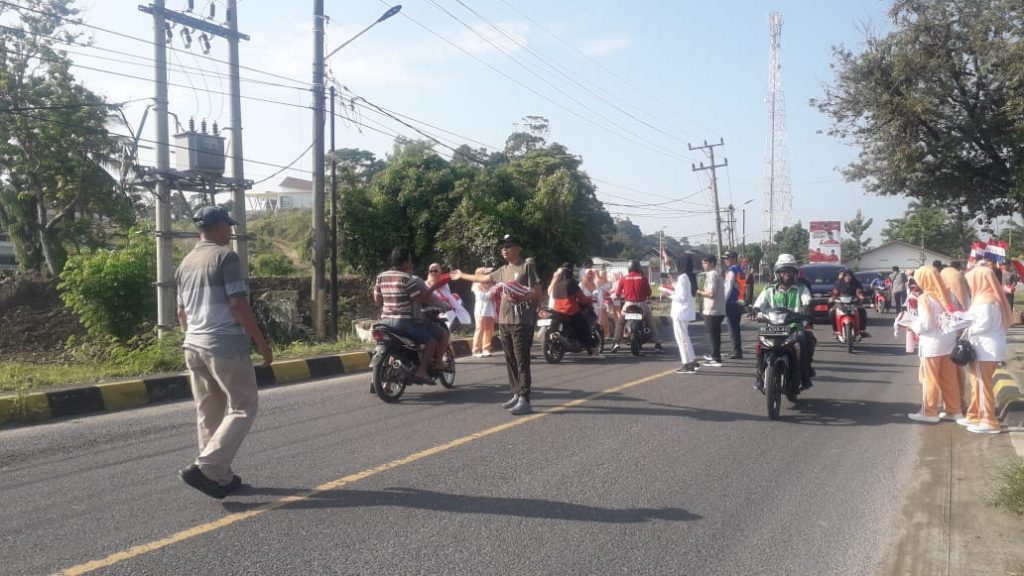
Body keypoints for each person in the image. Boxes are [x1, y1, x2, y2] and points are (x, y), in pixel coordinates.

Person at [175, 206, 273, 499]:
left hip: (193, 344)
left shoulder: (185, 263)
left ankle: (219, 476)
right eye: (228, 226)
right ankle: (207, 467)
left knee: (210, 412)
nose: (230, 232)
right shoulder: (225, 257)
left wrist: (194, 338)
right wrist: (262, 343)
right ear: (217, 227)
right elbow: (238, 304)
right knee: (244, 406)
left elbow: (181, 313)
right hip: (224, 344)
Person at [452, 234, 542, 416]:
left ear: (518, 248)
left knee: (521, 360)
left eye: (508, 246)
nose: (504, 249)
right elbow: (483, 279)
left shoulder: (527, 266)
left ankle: (525, 398)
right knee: (510, 359)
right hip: (504, 320)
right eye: (503, 246)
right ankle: (516, 394)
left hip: (521, 321)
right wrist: (462, 275)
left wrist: (521, 298)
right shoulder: (502, 270)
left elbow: (537, 292)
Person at [373, 247, 446, 385]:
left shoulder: (380, 277)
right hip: (404, 323)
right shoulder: (407, 278)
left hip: (385, 322)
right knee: (431, 342)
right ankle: (422, 371)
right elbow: (419, 299)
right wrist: (434, 287)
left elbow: (377, 300)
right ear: (406, 262)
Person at [958, 266, 1012, 434]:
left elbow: (982, 325)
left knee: (982, 385)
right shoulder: (991, 297)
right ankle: (977, 416)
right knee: (979, 384)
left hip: (985, 349)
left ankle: (989, 421)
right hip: (989, 347)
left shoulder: (986, 300)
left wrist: (965, 325)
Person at [750, 253, 814, 391]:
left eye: (790, 271)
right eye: (783, 271)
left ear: (795, 273)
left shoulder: (801, 289)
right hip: (772, 328)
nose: (787, 274)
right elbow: (757, 305)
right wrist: (754, 312)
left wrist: (807, 315)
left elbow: (808, 303)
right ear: (777, 273)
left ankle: (805, 377)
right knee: (760, 344)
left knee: (804, 340)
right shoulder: (769, 290)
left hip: (795, 327)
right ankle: (759, 377)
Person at [907, 265, 962, 423]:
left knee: (929, 379)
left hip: (931, 346)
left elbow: (924, 325)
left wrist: (911, 324)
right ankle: (954, 410)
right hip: (949, 343)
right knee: (949, 379)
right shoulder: (949, 295)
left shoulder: (925, 298)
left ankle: (929, 412)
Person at [549, 263, 603, 359]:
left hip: (557, 312)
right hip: (570, 312)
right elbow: (582, 299)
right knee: (584, 329)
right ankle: (594, 352)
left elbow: (553, 296)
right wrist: (591, 299)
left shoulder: (556, 284)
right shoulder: (571, 283)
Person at [610, 260, 662, 353]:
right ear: (638, 268)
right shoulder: (643, 278)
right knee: (651, 322)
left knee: (620, 323)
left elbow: (617, 294)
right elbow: (649, 293)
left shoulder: (623, 279)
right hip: (641, 304)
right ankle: (657, 343)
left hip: (628, 304)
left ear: (629, 268)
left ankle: (616, 343)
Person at [670, 255, 700, 373]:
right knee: (685, 337)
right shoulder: (690, 276)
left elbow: (681, 296)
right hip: (686, 311)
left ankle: (687, 363)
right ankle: (692, 360)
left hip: (680, 312)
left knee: (681, 339)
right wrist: (673, 284)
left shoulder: (682, 277)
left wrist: (669, 294)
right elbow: (685, 292)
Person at [697, 254, 725, 367]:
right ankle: (715, 354)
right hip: (718, 309)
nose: (703, 265)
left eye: (705, 262)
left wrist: (699, 292)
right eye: (703, 263)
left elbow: (711, 293)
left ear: (712, 263)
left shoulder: (712, 275)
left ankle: (716, 358)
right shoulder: (715, 274)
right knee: (715, 334)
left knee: (713, 334)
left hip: (712, 310)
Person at [427, 263, 471, 329]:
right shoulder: (426, 284)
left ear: (440, 271)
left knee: (445, 331)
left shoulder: (445, 283)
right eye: (431, 271)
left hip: (446, 311)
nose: (433, 273)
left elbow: (446, 294)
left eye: (435, 271)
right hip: (434, 312)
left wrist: (451, 298)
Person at [829, 268, 869, 337]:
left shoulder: (856, 282)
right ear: (843, 276)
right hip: (840, 303)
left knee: (862, 311)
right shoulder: (838, 283)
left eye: (849, 275)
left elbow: (859, 291)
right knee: (832, 312)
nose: (847, 277)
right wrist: (832, 298)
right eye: (845, 276)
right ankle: (836, 331)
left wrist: (861, 296)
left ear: (852, 276)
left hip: (854, 302)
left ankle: (862, 330)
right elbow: (835, 293)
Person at [722, 251, 745, 360]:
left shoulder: (731, 271)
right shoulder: (740, 270)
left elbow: (728, 288)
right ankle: (737, 350)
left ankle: (737, 351)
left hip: (731, 302)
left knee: (732, 328)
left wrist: (723, 302)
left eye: (727, 258)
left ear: (733, 258)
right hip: (739, 302)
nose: (725, 260)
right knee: (736, 328)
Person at [470, 267, 496, 357]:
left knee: (489, 330)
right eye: (485, 274)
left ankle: (486, 349)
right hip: (481, 310)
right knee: (479, 329)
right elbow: (482, 297)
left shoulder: (492, 285)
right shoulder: (476, 285)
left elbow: (494, 298)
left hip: (490, 310)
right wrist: (492, 292)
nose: (488, 275)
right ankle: (476, 350)